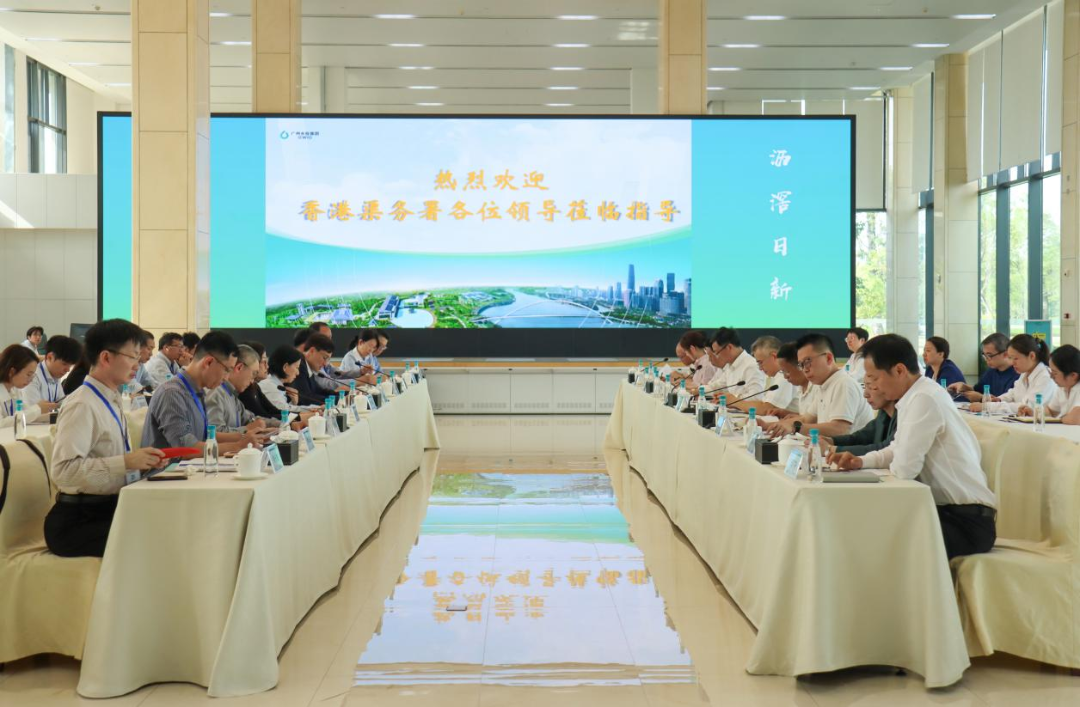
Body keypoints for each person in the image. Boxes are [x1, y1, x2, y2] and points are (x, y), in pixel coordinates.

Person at [830, 334, 997, 560]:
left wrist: (872, 463)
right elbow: (896, 449)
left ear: (899, 370)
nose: (873, 387)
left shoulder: (924, 399)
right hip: (945, 512)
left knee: (873, 539)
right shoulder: (915, 395)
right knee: (862, 527)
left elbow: (905, 468)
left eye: (874, 378)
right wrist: (861, 461)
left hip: (965, 522)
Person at [43, 319, 168, 558]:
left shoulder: (110, 398)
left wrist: (142, 463)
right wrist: (127, 462)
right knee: (155, 539)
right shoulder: (82, 404)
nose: (138, 363)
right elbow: (63, 472)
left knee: (170, 521)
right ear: (106, 357)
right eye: (132, 356)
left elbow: (109, 463)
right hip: (77, 522)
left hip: (107, 508)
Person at [141, 331, 263, 452]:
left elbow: (205, 435)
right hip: (170, 464)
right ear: (208, 362)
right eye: (227, 370)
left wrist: (244, 437)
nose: (226, 378)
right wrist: (237, 446)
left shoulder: (198, 391)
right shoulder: (172, 393)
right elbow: (185, 447)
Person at [764, 333, 873, 437]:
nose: (805, 370)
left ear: (828, 358)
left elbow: (840, 429)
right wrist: (767, 425)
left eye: (807, 362)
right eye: (801, 364)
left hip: (851, 450)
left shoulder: (843, 384)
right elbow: (806, 419)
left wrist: (794, 428)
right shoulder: (823, 386)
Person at [970, 334, 1056, 415]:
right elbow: (1013, 394)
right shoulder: (1025, 373)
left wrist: (988, 407)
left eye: (1016, 358)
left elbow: (1027, 406)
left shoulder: (1045, 377)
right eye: (1010, 358)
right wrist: (999, 399)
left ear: (1032, 356)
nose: (1012, 362)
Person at [206, 344, 281, 432]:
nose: (252, 381)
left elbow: (252, 419)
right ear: (239, 368)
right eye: (253, 374)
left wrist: (282, 424)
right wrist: (246, 429)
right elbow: (214, 432)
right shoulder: (216, 394)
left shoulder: (233, 395)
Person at [825, 376, 897, 456]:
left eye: (871, 387)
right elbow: (862, 437)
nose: (865, 394)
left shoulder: (903, 416)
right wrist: (831, 441)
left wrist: (831, 449)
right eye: (865, 387)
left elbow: (886, 450)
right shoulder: (884, 413)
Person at [731, 335, 797, 414]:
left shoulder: (784, 376)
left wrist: (734, 401)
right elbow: (762, 403)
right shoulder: (774, 376)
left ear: (774, 356)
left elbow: (766, 409)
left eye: (760, 362)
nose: (760, 368)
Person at [948, 333, 1021, 402]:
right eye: (984, 356)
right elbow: (978, 390)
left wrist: (981, 398)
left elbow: (1007, 402)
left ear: (1005, 354)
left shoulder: (1017, 373)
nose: (986, 360)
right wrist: (964, 387)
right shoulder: (991, 371)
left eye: (989, 355)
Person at [1017, 344, 1080, 421]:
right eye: (1051, 371)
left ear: (1073, 375)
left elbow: (1077, 417)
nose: (1051, 376)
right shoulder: (1062, 388)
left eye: (1055, 373)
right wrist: (1034, 414)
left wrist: (1060, 419)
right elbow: (1051, 411)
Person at [704, 327, 764, 402]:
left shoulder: (751, 366)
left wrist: (732, 399)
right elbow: (717, 386)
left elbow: (756, 397)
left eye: (717, 353)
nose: (717, 356)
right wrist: (698, 390)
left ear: (729, 347)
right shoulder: (729, 366)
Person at [22, 335, 82, 408]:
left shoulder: (55, 374)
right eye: (64, 364)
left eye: (70, 365)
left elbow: (61, 403)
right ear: (50, 357)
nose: (68, 370)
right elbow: (33, 412)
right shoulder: (32, 377)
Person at [0, 344, 53, 427]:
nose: (31, 380)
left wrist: (54, 416)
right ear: (12, 372)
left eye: (32, 375)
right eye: (28, 374)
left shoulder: (14, 389)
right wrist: (37, 409)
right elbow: (1, 424)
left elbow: (25, 415)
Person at [296, 333, 348, 400]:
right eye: (324, 358)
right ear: (312, 351)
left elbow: (319, 391)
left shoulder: (308, 367)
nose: (325, 364)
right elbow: (307, 398)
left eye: (327, 359)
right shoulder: (299, 365)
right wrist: (340, 399)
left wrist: (345, 394)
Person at [260, 345, 308, 411]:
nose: (298, 373)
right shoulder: (270, 386)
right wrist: (313, 409)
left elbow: (283, 409)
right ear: (285, 367)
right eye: (297, 367)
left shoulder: (276, 384)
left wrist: (293, 403)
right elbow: (283, 411)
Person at [773, 341, 810, 417]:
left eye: (787, 371)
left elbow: (821, 420)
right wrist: (785, 413)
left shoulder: (817, 387)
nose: (785, 377)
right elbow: (809, 417)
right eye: (782, 372)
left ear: (800, 365)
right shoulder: (800, 387)